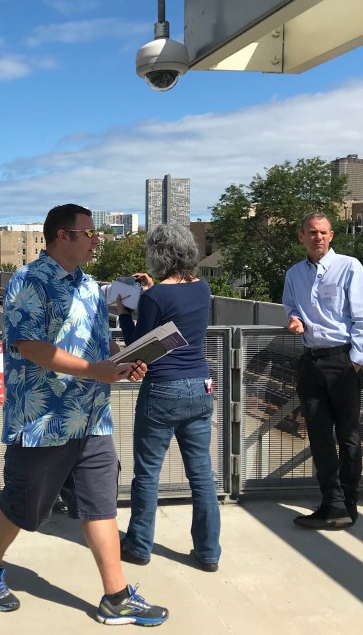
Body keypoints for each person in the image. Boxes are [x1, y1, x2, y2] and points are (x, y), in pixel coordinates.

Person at [0, 204, 169, 627]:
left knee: (101, 508)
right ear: (62, 236)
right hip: (44, 424)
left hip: (92, 419)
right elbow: (30, 346)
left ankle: (116, 596)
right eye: (88, 233)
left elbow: (100, 343)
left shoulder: (91, 287)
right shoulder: (29, 281)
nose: (95, 240)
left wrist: (124, 360)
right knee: (22, 508)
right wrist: (95, 370)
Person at [117, 223, 221, 573]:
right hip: (200, 386)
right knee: (202, 474)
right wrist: (149, 292)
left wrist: (126, 315)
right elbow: (178, 323)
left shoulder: (157, 296)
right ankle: (208, 552)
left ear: (158, 254)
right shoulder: (203, 288)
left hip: (162, 389)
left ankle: (139, 545)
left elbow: (141, 347)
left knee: (147, 473)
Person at [283, 212, 363, 529]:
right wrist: (294, 320)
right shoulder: (294, 274)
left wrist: (356, 361)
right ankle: (331, 503)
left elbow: (362, 318)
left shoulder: (349, 267)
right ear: (301, 237)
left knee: (347, 437)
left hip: (343, 360)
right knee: (319, 437)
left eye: (323, 232)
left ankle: (348, 502)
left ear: (331, 235)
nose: (317, 237)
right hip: (311, 361)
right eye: (311, 232)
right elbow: (291, 306)